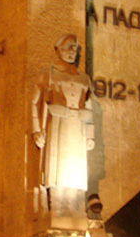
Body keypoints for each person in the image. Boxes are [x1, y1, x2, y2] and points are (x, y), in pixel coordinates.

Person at [31, 34, 94, 216]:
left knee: (76, 170)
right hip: (57, 125)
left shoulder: (84, 78)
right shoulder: (47, 74)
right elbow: (34, 102)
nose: (72, 51)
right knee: (58, 169)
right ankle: (57, 208)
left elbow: (89, 105)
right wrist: (36, 129)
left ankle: (74, 209)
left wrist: (90, 135)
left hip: (78, 127)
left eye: (75, 47)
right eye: (67, 47)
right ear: (57, 50)